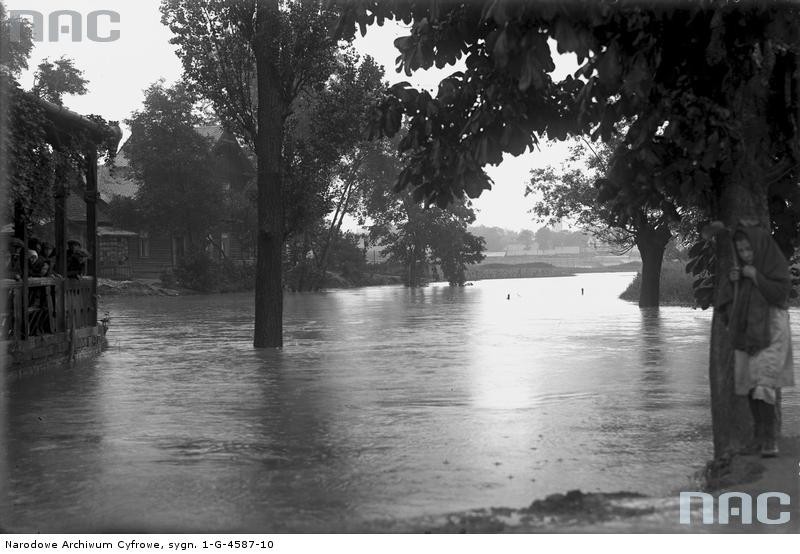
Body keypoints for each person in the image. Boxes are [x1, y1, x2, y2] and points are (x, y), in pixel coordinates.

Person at [717, 224, 795, 457]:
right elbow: (729, 302)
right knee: (749, 384)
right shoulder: (741, 271)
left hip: (771, 329)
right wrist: (734, 281)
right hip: (746, 331)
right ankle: (758, 438)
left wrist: (756, 276)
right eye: (741, 251)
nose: (745, 255)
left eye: (749, 250)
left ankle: (770, 440)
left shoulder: (774, 265)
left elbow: (780, 294)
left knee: (764, 382)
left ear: (759, 247)